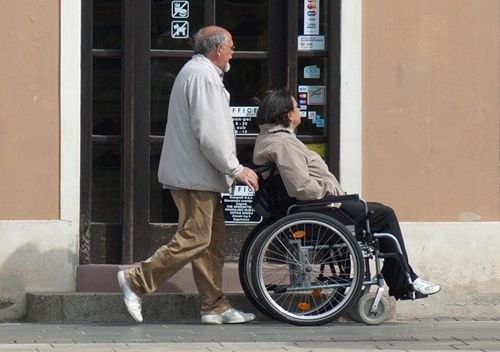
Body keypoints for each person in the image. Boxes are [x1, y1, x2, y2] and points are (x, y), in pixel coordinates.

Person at [117, 26, 259, 324]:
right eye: (231, 47)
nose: (234, 52)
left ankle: (214, 306)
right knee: (196, 238)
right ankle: (136, 280)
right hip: (195, 176)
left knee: (211, 242)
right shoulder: (203, 76)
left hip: (199, 175)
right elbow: (210, 133)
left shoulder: (199, 74)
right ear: (218, 49)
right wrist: (235, 168)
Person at [252, 88, 440, 300]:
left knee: (376, 211)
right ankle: (405, 279)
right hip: (316, 209)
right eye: (297, 107)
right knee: (384, 215)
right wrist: (332, 191)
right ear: (288, 115)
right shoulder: (284, 143)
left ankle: (403, 276)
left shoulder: (269, 139)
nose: (299, 110)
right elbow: (301, 187)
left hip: (311, 209)